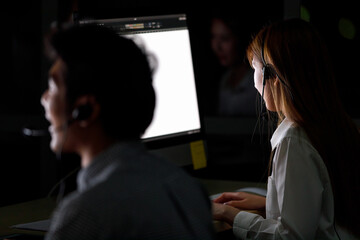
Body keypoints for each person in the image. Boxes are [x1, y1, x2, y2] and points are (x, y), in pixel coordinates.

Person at [41, 23, 215, 240]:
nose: (45, 99)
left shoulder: (85, 213)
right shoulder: (189, 190)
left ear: (86, 110)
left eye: (53, 86)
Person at [212, 18, 360, 239]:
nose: (254, 83)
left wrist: (227, 213)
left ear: (273, 76)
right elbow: (325, 209)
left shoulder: (295, 140)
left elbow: (289, 237)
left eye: (255, 68)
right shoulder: (333, 123)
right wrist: (269, 203)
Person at [210, 14, 257, 116]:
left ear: (240, 39)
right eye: (213, 37)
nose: (217, 47)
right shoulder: (224, 80)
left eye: (225, 38)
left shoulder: (258, 83)